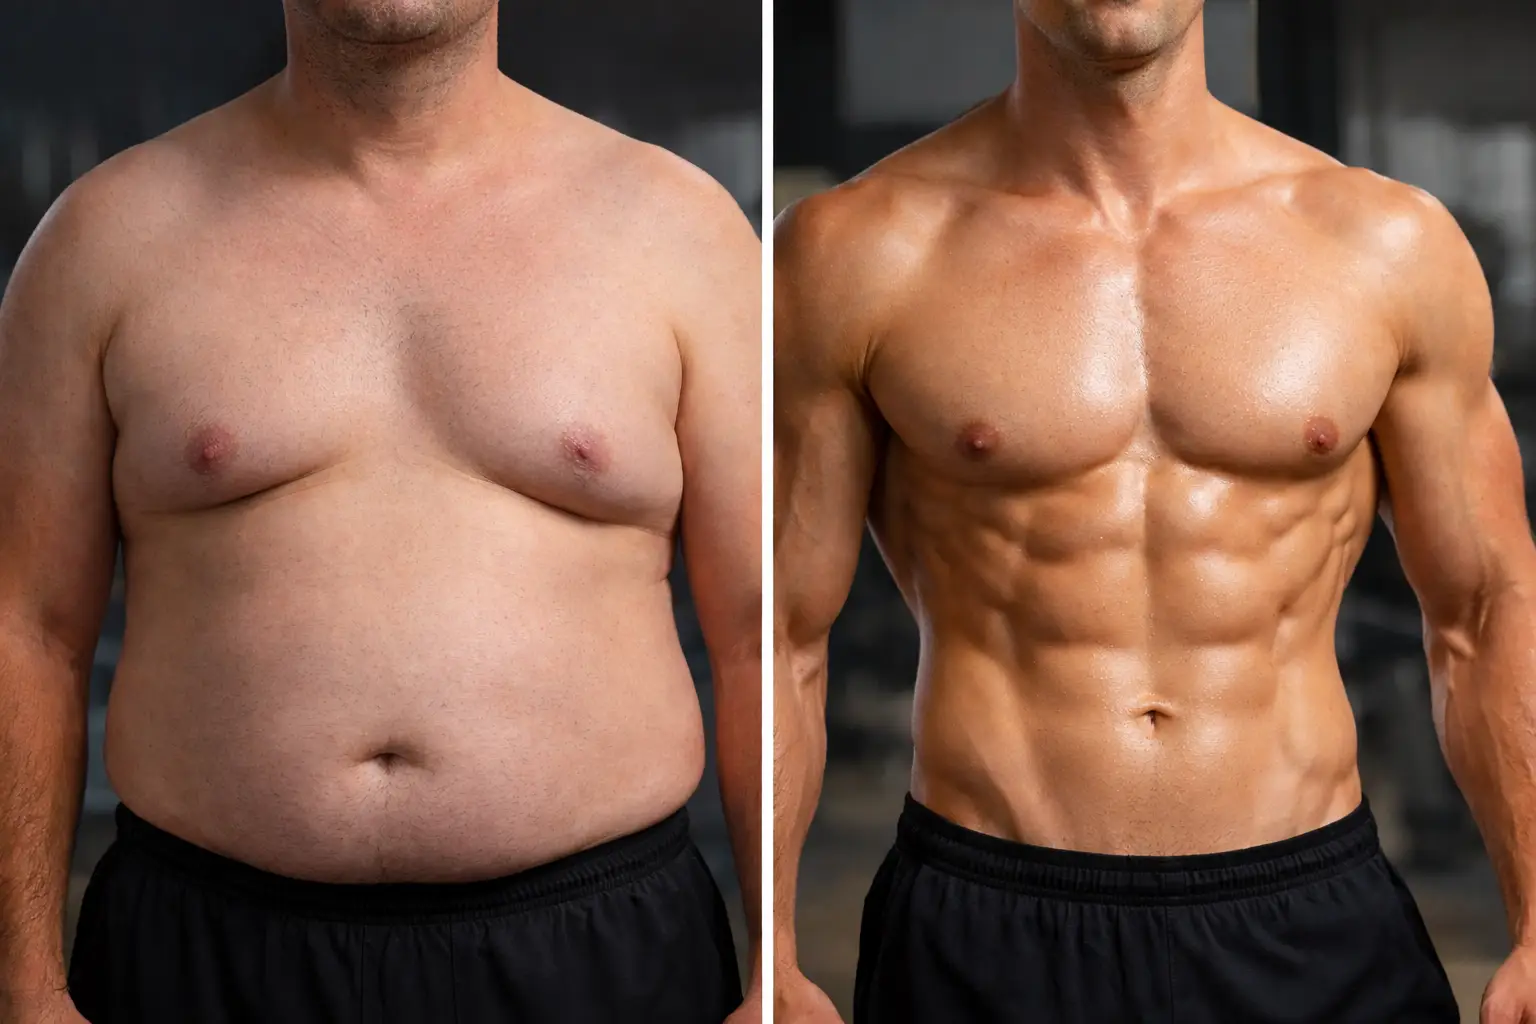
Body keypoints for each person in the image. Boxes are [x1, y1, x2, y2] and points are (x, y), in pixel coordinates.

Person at [773, 2, 1536, 1022]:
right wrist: (768, 956)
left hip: (1306, 914)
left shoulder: (1386, 244)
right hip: (991, 919)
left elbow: (1485, 610)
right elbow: (781, 633)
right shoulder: (855, 250)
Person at [0, 2, 761, 1022]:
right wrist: (25, 982)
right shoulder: (104, 237)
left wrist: (781, 965)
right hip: (206, 955)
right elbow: (29, 630)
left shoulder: (681, 228)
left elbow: (765, 631)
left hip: (596, 955)